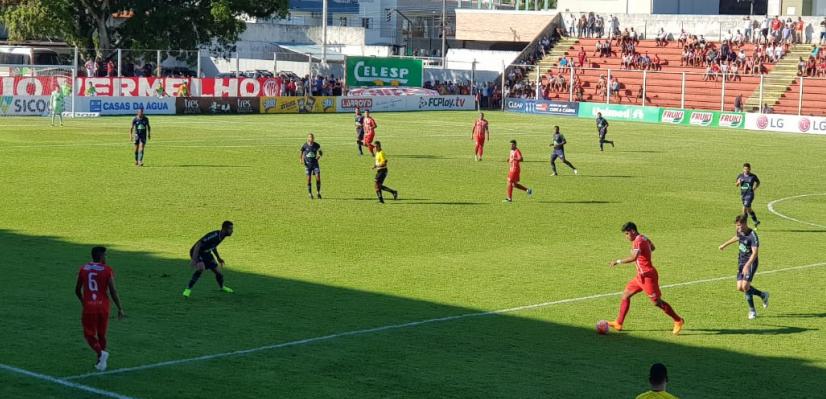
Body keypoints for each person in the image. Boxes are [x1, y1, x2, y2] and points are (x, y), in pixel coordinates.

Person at [607, 222, 685, 335]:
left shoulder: (637, 241)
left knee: (657, 302)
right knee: (625, 295)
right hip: (640, 276)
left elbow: (634, 257)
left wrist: (617, 261)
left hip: (648, 277)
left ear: (633, 231)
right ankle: (618, 323)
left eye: (627, 233)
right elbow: (653, 247)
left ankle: (678, 320)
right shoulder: (643, 237)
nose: (626, 236)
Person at [75, 246, 125, 372]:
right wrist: (120, 308)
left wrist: (83, 302)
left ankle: (101, 354)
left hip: (90, 307)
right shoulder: (107, 270)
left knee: (89, 334)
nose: (106, 257)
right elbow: (113, 291)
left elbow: (77, 290)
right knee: (101, 334)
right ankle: (101, 362)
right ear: (101, 256)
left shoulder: (84, 269)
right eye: (105, 255)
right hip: (103, 306)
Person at [719, 215, 770, 319]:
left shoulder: (753, 235)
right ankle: (762, 295)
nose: (738, 228)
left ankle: (752, 311)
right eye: (737, 226)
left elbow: (755, 253)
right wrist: (724, 245)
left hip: (750, 263)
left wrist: (747, 265)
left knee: (745, 287)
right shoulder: (740, 231)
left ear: (745, 224)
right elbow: (737, 237)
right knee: (739, 287)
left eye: (740, 225)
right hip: (741, 262)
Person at [183, 221, 235, 297]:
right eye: (230, 229)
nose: (232, 231)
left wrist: (218, 258)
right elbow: (198, 244)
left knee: (219, 273)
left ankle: (222, 287)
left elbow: (213, 246)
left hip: (207, 253)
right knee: (201, 268)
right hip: (197, 252)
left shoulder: (222, 236)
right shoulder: (214, 235)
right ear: (224, 229)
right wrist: (194, 259)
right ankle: (187, 290)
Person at [736, 163, 761, 227]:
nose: (746, 170)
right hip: (743, 195)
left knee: (744, 208)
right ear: (743, 169)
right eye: (745, 169)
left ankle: (744, 223)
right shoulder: (740, 176)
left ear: (750, 169)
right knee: (749, 209)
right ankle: (756, 221)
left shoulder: (753, 176)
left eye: (747, 169)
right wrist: (738, 182)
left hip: (750, 194)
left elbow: (758, 182)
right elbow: (736, 184)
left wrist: (754, 188)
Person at [300, 133, 323, 199]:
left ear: (313, 138)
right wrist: (300, 159)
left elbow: (321, 153)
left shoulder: (316, 145)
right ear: (307, 138)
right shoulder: (305, 145)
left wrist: (318, 158)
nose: (311, 139)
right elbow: (301, 152)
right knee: (309, 180)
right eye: (309, 137)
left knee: (318, 178)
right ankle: (310, 194)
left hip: (315, 164)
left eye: (312, 137)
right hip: (308, 165)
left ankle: (318, 193)